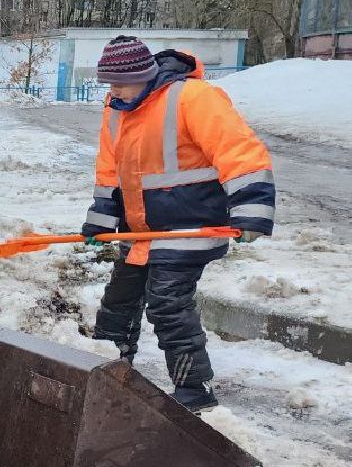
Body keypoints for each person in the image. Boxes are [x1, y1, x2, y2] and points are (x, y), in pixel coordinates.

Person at [81, 35, 275, 411]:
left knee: (167, 304)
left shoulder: (193, 98)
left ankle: (194, 389)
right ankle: (110, 373)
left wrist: (252, 211)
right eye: (109, 83)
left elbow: (239, 151)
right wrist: (101, 221)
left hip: (189, 226)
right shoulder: (117, 107)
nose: (113, 90)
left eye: (119, 81)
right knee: (117, 304)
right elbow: (110, 171)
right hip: (140, 232)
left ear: (143, 73)